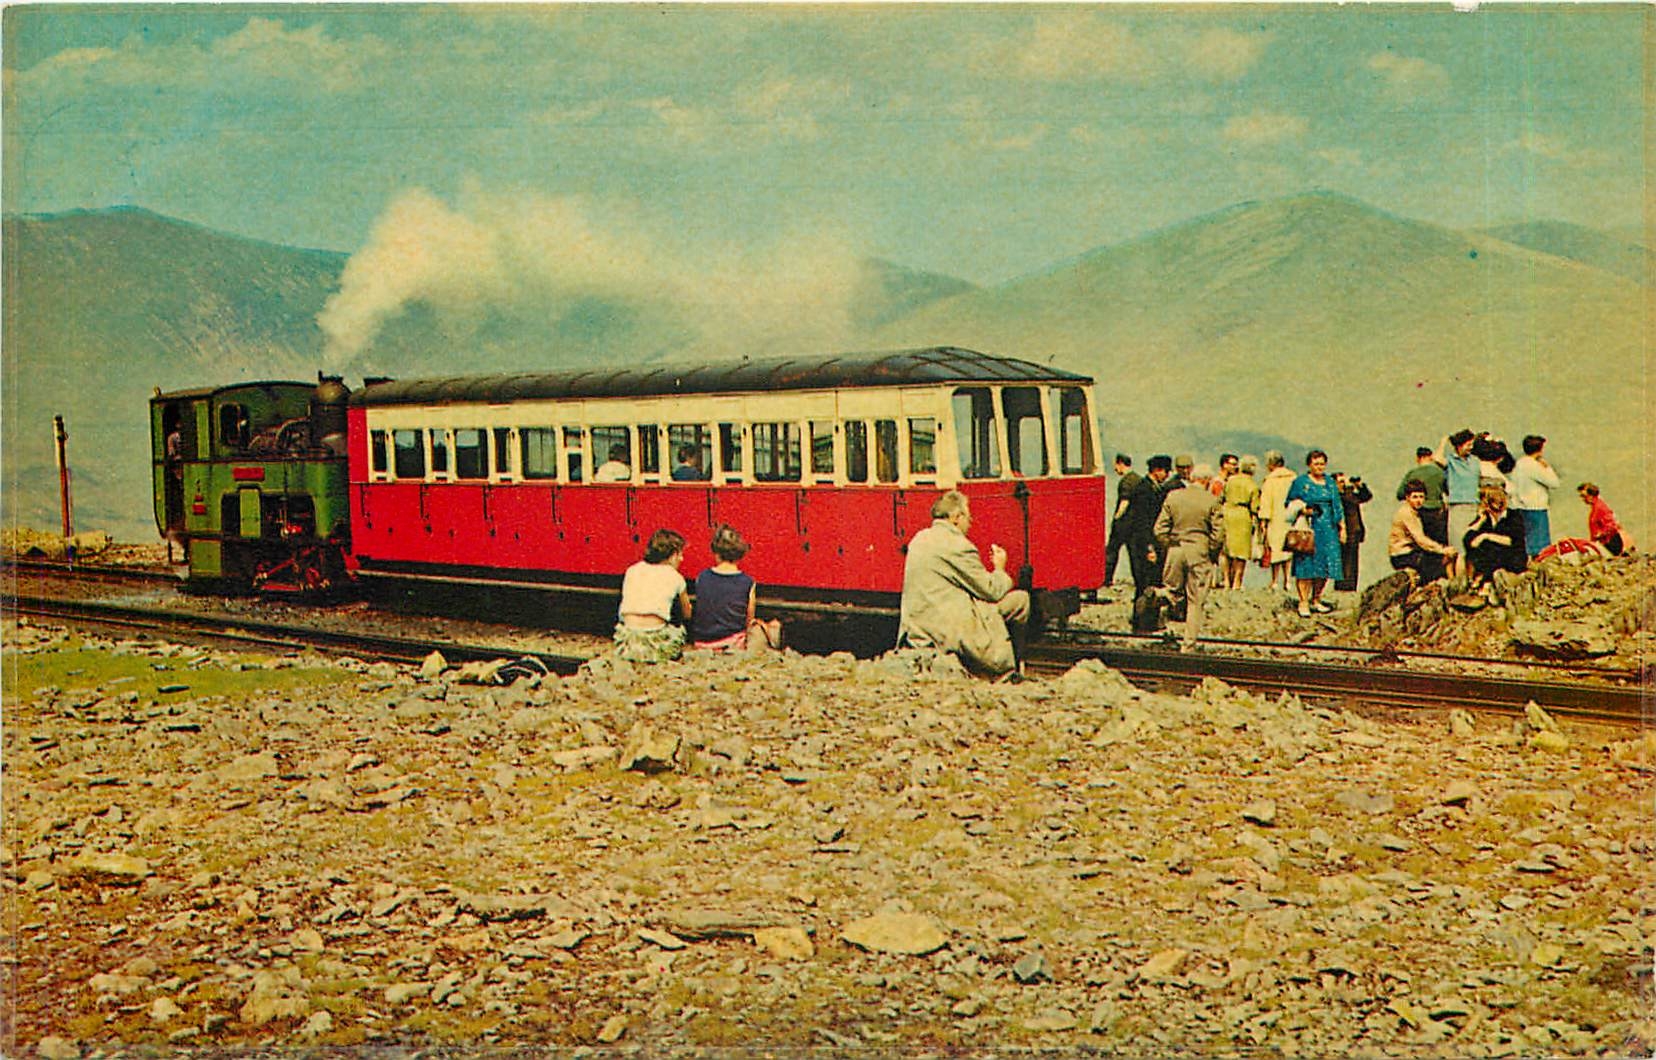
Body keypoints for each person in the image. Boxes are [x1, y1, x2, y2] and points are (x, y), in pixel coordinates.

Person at [896, 490, 1030, 677]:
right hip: (948, 629)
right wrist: (1000, 569)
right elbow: (992, 591)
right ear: (956, 518)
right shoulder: (959, 546)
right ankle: (1009, 668)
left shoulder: (919, 539)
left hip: (919, 627)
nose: (971, 521)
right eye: (968, 516)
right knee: (1021, 600)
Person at [1153, 463, 1225, 647]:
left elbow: (1159, 529)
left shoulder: (1173, 496)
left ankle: (1160, 597)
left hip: (1175, 550)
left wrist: (1169, 545)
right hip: (1199, 551)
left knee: (1173, 592)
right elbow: (1218, 535)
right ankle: (1188, 643)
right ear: (1207, 481)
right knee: (1195, 600)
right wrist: (1210, 552)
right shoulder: (1212, 501)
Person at [689, 525, 783, 652]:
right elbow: (749, 620)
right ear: (740, 554)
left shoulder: (702, 577)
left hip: (702, 643)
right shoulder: (748, 582)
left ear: (716, 553)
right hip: (733, 643)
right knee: (771, 627)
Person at [614, 529, 693, 662]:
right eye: (680, 554)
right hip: (657, 642)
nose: (681, 559)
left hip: (627, 641)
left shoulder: (632, 570)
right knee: (679, 630)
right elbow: (687, 614)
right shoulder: (676, 577)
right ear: (673, 555)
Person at [1286, 449, 1345, 617]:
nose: (1319, 467)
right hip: (1309, 527)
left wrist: (1342, 527)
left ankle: (1317, 598)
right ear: (1309, 465)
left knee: (1325, 564)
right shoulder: (1300, 482)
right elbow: (1290, 502)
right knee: (1306, 565)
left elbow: (1337, 505)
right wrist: (1303, 510)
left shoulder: (1330, 483)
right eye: (1316, 464)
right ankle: (1303, 601)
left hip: (1328, 528)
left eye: (1322, 464)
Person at [1388, 481, 1459, 585]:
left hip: (1411, 553)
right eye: (1415, 497)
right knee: (1442, 562)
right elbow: (1420, 539)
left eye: (1421, 497)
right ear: (1407, 497)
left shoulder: (1414, 511)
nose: (1418, 501)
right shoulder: (1406, 513)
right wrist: (1442, 549)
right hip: (1403, 555)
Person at [1123, 456, 1172, 597]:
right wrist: (1149, 547)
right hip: (1143, 543)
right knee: (1145, 582)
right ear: (1156, 470)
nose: (1167, 475)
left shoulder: (1151, 487)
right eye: (1166, 471)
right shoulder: (1144, 490)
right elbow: (1142, 522)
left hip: (1145, 541)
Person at [1463, 483, 1527, 589]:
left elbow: (1512, 540)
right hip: (1491, 560)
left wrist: (1486, 536)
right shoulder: (1486, 519)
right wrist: (1480, 520)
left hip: (1511, 558)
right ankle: (1482, 579)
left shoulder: (1513, 516)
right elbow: (1468, 539)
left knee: (1490, 546)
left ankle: (1487, 580)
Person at [1508, 435, 1560, 557]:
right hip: (1536, 507)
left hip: (1521, 506)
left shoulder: (1519, 463)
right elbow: (1554, 483)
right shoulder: (1534, 465)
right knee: (1540, 545)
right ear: (1540, 449)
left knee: (1527, 541)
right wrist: (1547, 467)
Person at [1256, 450, 1298, 592]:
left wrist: (1263, 520)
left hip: (1275, 518)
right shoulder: (1293, 478)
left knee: (1275, 548)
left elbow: (1266, 502)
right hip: (1290, 517)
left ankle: (1274, 581)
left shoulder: (1270, 481)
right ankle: (1287, 580)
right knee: (1289, 548)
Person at [1219, 454, 1259, 590]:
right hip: (1243, 515)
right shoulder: (1252, 485)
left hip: (1227, 512)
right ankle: (1237, 582)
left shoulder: (1230, 481)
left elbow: (1222, 497)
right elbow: (1255, 507)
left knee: (1226, 550)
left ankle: (1226, 580)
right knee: (1241, 551)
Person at [1435, 429, 1481, 546]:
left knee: (1472, 542)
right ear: (1459, 445)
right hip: (1458, 505)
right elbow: (1437, 458)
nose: (1471, 447)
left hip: (1474, 504)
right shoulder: (1451, 461)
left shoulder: (1475, 460)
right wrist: (1444, 441)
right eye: (1468, 444)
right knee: (1457, 542)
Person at [1396, 446, 1448, 545]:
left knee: (1422, 542)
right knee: (1438, 543)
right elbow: (1448, 490)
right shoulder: (1440, 473)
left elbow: (1400, 494)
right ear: (1430, 457)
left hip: (1420, 512)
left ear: (1418, 458)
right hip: (1438, 512)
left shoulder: (1413, 473)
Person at [1102, 454, 1141, 587]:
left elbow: (1125, 501)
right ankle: (1138, 580)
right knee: (1134, 555)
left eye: (1116, 465)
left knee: (1111, 551)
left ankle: (1106, 579)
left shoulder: (1125, 481)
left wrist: (1117, 517)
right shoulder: (1137, 479)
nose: (1115, 469)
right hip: (1134, 524)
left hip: (1122, 524)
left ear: (1120, 464)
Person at [1334, 471, 1373, 592]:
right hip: (1342, 531)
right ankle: (1343, 586)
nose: (1343, 484)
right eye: (1341, 482)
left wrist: (1359, 485)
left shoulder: (1348, 494)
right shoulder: (1337, 496)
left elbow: (1366, 496)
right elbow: (1349, 500)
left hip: (1354, 530)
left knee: (1352, 561)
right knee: (1344, 561)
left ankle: (1350, 586)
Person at [1577, 482, 1625, 556]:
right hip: (1605, 542)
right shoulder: (1595, 508)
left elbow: (1612, 524)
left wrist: (1600, 534)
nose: (1583, 499)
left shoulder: (1600, 507)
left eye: (1584, 496)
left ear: (1591, 496)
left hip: (1611, 543)